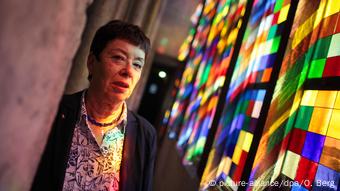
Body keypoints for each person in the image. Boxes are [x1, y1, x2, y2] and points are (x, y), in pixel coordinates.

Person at [31, 20, 157, 191]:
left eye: (137, 64)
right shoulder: (54, 111)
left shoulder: (145, 134)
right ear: (91, 62)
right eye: (118, 58)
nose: (128, 71)